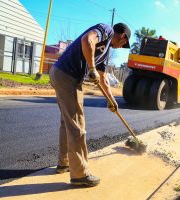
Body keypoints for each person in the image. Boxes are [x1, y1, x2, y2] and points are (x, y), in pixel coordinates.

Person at [49, 23, 131, 187]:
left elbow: (102, 78)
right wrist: (91, 68)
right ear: (122, 36)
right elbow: (87, 40)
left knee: (68, 123)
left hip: (62, 74)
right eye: (124, 44)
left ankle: (64, 163)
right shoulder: (106, 30)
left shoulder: (105, 50)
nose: (121, 47)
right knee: (77, 125)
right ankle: (80, 174)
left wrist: (110, 99)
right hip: (67, 75)